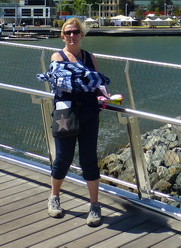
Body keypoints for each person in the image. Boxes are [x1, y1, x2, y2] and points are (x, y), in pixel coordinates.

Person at [38, 17, 109, 227]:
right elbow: (63, 82)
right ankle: (54, 197)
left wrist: (105, 93)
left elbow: (97, 85)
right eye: (67, 32)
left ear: (81, 35)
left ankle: (95, 206)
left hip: (89, 112)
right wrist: (89, 80)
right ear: (62, 35)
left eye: (75, 32)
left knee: (89, 159)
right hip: (65, 114)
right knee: (63, 158)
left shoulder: (89, 57)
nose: (71, 35)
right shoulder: (57, 56)